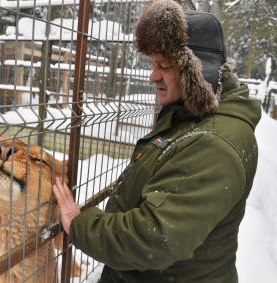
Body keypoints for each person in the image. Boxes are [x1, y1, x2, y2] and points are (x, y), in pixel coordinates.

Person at [53, 0, 261, 282]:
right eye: (152, 63)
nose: (153, 77)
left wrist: (79, 225)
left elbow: (153, 237)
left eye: (163, 65)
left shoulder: (213, 145)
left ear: (198, 72)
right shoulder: (189, 115)